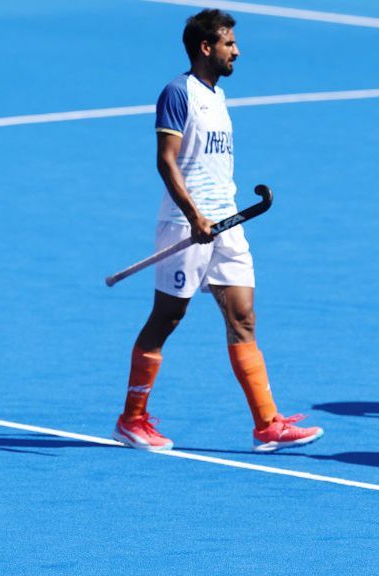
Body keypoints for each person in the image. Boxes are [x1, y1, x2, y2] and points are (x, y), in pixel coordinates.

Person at [112, 9, 323, 453]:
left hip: (227, 223)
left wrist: (215, 217)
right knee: (167, 317)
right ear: (206, 47)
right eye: (229, 43)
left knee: (243, 316)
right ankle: (131, 420)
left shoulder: (218, 96)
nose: (237, 51)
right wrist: (193, 215)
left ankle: (267, 424)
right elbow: (165, 160)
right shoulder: (178, 92)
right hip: (184, 226)